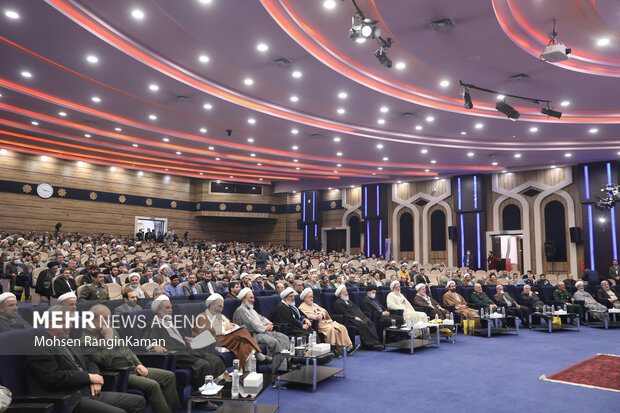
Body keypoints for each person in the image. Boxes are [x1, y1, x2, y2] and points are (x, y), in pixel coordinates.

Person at [25, 306, 146, 413]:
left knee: (138, 402)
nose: (70, 327)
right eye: (66, 323)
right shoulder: (40, 348)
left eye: (71, 322)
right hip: (68, 399)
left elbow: (88, 361)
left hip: (88, 392)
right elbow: (54, 378)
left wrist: (95, 379)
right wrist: (88, 377)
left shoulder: (68, 341)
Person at [82, 305, 181, 413]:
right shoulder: (86, 341)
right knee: (153, 385)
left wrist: (138, 364)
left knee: (169, 376)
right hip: (120, 373)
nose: (109, 322)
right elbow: (105, 362)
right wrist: (109, 339)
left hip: (133, 367)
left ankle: (175, 410)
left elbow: (126, 349)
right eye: (105, 319)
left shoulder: (108, 329)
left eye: (109, 318)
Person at [143, 296, 228, 411]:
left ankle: (211, 393)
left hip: (187, 349)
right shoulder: (153, 324)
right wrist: (154, 346)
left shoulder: (169, 320)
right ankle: (201, 401)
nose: (170, 310)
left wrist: (186, 338)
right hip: (176, 356)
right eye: (167, 308)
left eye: (171, 307)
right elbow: (145, 340)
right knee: (203, 365)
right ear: (158, 310)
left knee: (215, 359)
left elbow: (178, 336)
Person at [192, 294, 270, 371]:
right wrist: (223, 328)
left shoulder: (221, 316)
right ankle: (257, 353)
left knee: (244, 343)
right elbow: (204, 333)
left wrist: (232, 325)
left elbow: (230, 323)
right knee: (242, 331)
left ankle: (247, 371)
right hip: (215, 340)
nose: (221, 309)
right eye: (219, 306)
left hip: (228, 337)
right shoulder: (202, 317)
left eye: (222, 306)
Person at [232, 288, 290, 371]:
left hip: (262, 331)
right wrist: (266, 327)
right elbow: (254, 325)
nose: (253, 300)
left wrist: (268, 323)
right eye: (251, 298)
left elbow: (261, 318)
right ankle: (273, 367)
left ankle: (283, 365)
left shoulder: (251, 309)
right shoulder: (241, 310)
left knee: (284, 338)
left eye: (253, 298)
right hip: (253, 334)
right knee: (274, 342)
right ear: (244, 299)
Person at [298, 288, 354, 354]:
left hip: (326, 321)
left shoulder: (314, 304)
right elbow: (308, 316)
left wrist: (321, 314)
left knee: (341, 327)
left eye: (312, 297)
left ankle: (347, 347)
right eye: (310, 297)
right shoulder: (302, 307)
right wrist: (317, 316)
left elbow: (324, 311)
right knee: (331, 330)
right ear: (304, 298)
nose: (312, 298)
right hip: (318, 324)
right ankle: (332, 350)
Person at [332, 285, 383, 351]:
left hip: (358, 317)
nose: (346, 293)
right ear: (339, 295)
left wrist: (362, 316)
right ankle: (369, 345)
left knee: (369, 321)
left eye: (346, 291)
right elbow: (344, 313)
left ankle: (375, 343)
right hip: (349, 320)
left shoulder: (348, 301)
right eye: (344, 292)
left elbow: (357, 309)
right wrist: (354, 317)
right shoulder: (338, 303)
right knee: (363, 324)